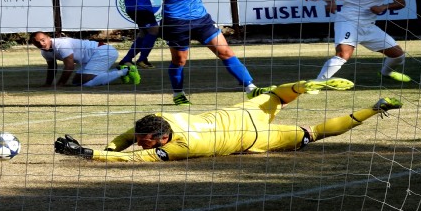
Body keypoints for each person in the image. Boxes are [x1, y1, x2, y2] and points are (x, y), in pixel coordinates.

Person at [53, 77, 402, 162]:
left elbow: (128, 158)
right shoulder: (158, 119)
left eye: (146, 140)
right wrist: (108, 145)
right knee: (280, 95)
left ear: (161, 139)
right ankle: (305, 85)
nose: (140, 140)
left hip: (252, 138)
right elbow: (130, 136)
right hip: (244, 113)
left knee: (315, 132)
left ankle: (376, 107)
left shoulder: (176, 148)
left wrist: (88, 153)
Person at [129, 0, 272, 106]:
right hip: (176, 22)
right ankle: (178, 94)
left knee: (226, 52)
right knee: (179, 60)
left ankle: (251, 88)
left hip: (201, 19)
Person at [318, 0, 411, 87]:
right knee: (343, 54)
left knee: (398, 55)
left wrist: (384, 6)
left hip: (368, 26)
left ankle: (386, 73)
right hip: (347, 21)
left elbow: (401, 2)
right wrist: (330, 1)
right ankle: (318, 83)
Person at [29, 31, 141, 87]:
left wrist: (60, 84)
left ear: (49, 38)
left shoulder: (61, 44)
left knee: (87, 84)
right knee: (76, 82)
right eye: (37, 42)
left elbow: (70, 66)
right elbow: (52, 67)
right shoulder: (44, 52)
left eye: (43, 40)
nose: (41, 43)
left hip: (103, 51)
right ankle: (120, 71)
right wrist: (48, 84)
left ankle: (125, 70)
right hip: (92, 57)